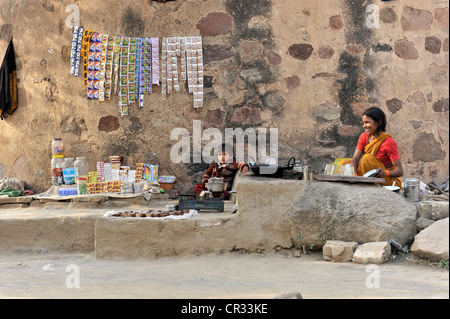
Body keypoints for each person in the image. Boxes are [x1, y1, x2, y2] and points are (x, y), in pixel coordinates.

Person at [349, 107, 403, 188]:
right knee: (344, 165)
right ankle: (359, 182)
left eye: (367, 122)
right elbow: (355, 159)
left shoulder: (388, 142)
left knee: (367, 159)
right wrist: (354, 174)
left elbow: (400, 171)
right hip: (367, 175)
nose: (364, 126)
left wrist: (385, 173)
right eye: (363, 123)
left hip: (386, 180)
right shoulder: (364, 137)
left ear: (378, 122)